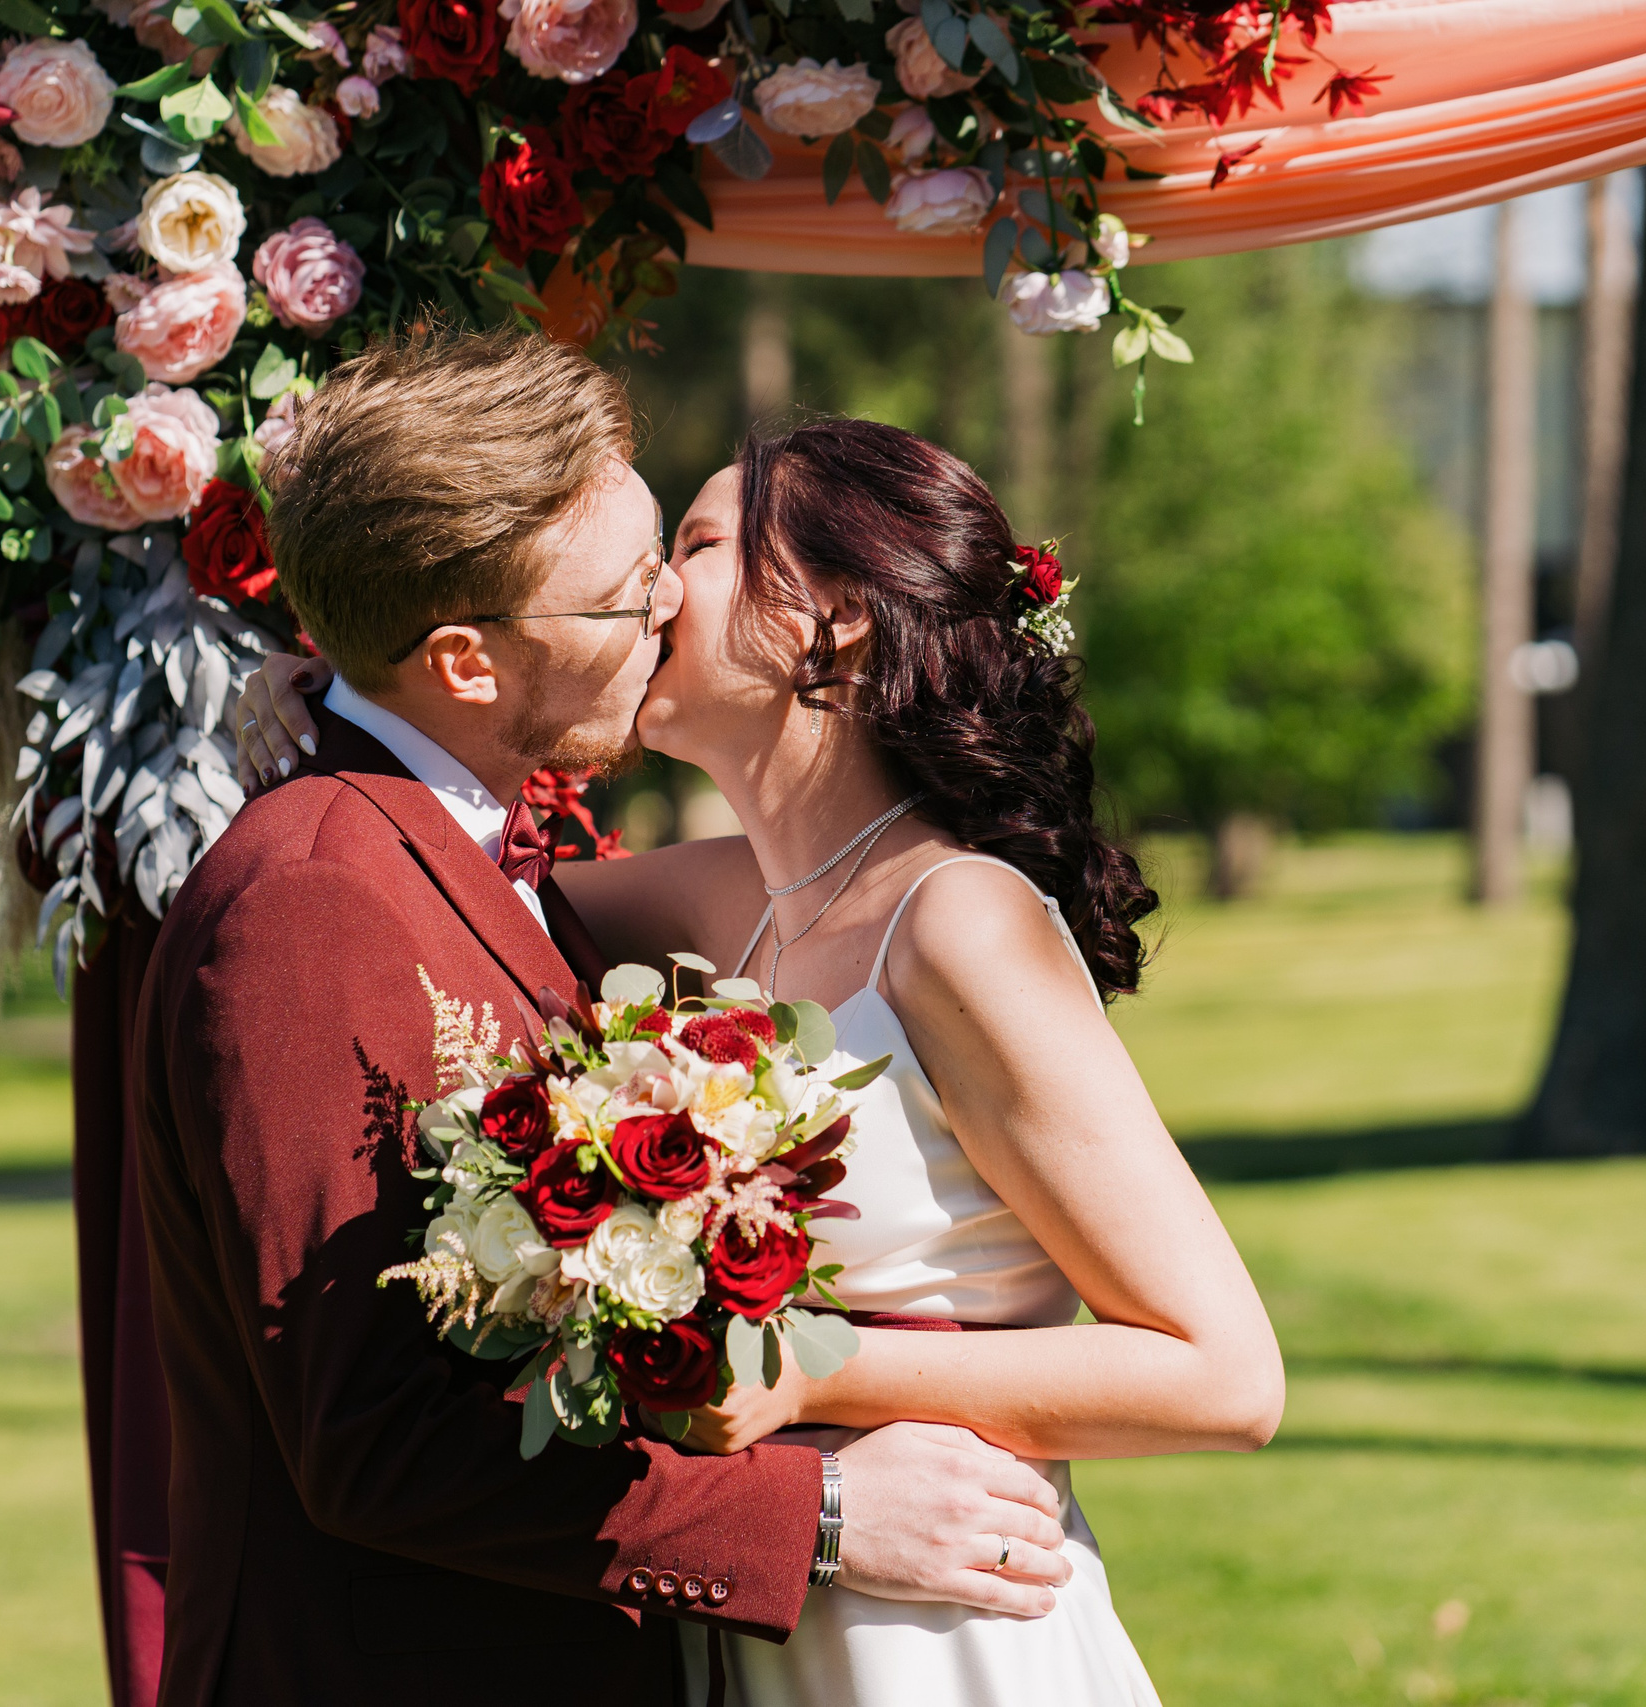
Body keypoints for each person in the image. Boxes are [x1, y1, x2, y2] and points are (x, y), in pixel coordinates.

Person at [232, 413, 1286, 1707]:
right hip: (753, 1627)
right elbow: (439, 894)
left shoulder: (960, 920)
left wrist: (805, 1370)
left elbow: (1224, 1374)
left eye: (696, 544)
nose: (659, 592)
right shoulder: (715, 906)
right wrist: (339, 703)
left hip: (948, 1622)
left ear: (827, 622)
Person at [133, 332, 1076, 1707]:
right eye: (631, 591)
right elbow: (377, 1439)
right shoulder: (312, 903)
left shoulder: (481, 864)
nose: (671, 607)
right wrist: (814, 1518)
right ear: (464, 663)